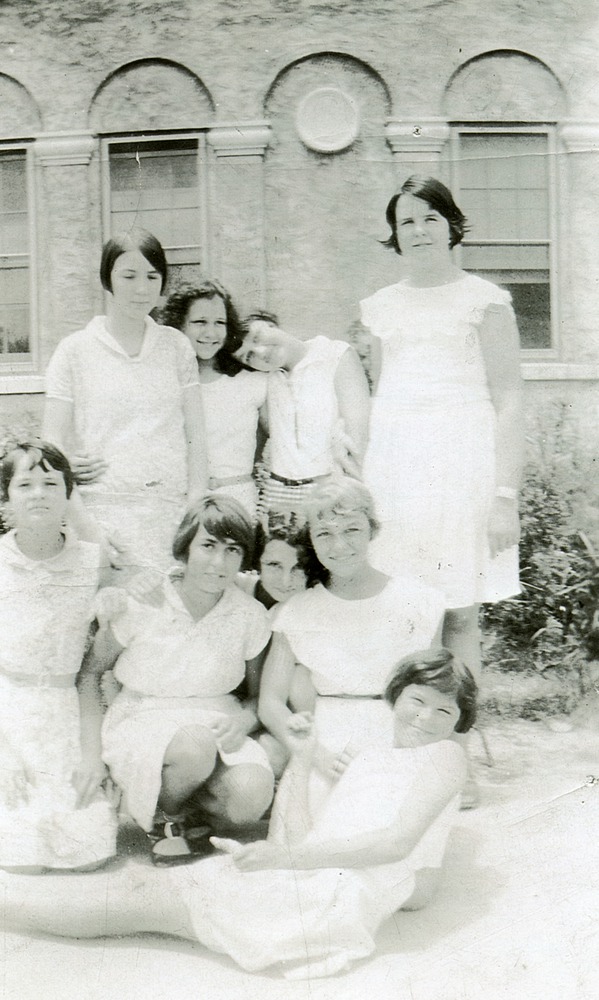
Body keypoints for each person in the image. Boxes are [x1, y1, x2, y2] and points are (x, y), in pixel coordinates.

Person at [0, 649, 475, 980]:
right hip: (316, 884)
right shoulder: (371, 757)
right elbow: (301, 838)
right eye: (418, 700)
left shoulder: (447, 757)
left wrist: (281, 861)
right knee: (145, 895)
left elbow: (396, 844)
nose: (426, 718)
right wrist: (306, 758)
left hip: (330, 900)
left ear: (459, 723)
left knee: (143, 895)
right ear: (396, 697)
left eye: (443, 711)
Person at [360, 176, 524, 682]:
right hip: (398, 470)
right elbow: (379, 395)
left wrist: (505, 496)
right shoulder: (379, 306)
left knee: (460, 610)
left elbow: (510, 398)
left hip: (461, 468)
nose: (419, 230)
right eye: (406, 221)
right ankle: (410, 733)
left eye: (430, 218)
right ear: (395, 234)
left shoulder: (485, 301)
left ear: (451, 226)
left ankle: (457, 737)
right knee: (405, 605)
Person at [78, 495, 274, 865]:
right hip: (143, 717)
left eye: (232, 550)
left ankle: (188, 814)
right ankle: (163, 817)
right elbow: (90, 673)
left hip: (216, 719)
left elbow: (256, 695)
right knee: (195, 746)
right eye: (208, 546)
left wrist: (245, 720)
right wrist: (91, 753)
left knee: (252, 793)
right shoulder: (145, 599)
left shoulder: (249, 614)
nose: (218, 562)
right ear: (185, 547)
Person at [258, 476, 445, 814]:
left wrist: (390, 751)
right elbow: (270, 703)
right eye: (324, 534)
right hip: (323, 740)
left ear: (372, 530)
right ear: (311, 540)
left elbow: (433, 694)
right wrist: (314, 754)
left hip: (399, 735)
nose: (338, 545)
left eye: (351, 530)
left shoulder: (419, 602)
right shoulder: (295, 612)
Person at [42, 229, 208, 569]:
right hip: (100, 514)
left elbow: (197, 437)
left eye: (152, 276)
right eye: (128, 275)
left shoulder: (176, 347)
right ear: (108, 280)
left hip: (169, 514)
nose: (141, 287)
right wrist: (89, 531)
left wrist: (192, 514)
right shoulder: (74, 350)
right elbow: (51, 445)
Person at [0, 442, 117, 872]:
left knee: (88, 855)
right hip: (8, 717)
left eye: (51, 483)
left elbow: (88, 674)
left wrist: (92, 755)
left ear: (69, 493)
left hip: (67, 713)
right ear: (6, 497)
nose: (39, 494)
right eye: (25, 484)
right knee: (22, 861)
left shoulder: (92, 561)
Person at [231, 311, 370, 515]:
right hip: (277, 496)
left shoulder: (335, 355)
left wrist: (343, 498)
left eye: (257, 337)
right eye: (249, 356)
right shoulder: (264, 379)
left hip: (327, 491)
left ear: (270, 323)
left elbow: (357, 442)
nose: (261, 352)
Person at [162, 282, 267, 519]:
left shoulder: (252, 382)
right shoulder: (163, 383)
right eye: (200, 322)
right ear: (179, 324)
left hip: (237, 505)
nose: (211, 333)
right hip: (177, 505)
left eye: (219, 322)